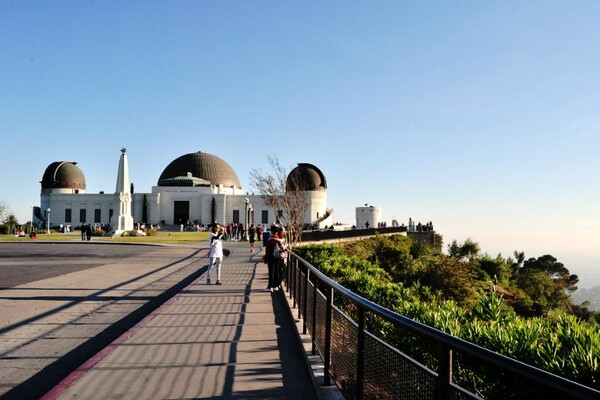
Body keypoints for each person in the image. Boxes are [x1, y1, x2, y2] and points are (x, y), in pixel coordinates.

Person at [264, 227, 287, 292]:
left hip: (271, 257)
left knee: (271, 271)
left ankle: (270, 286)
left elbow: (268, 249)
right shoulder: (279, 238)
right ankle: (276, 286)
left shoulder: (272, 238)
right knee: (277, 271)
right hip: (278, 256)